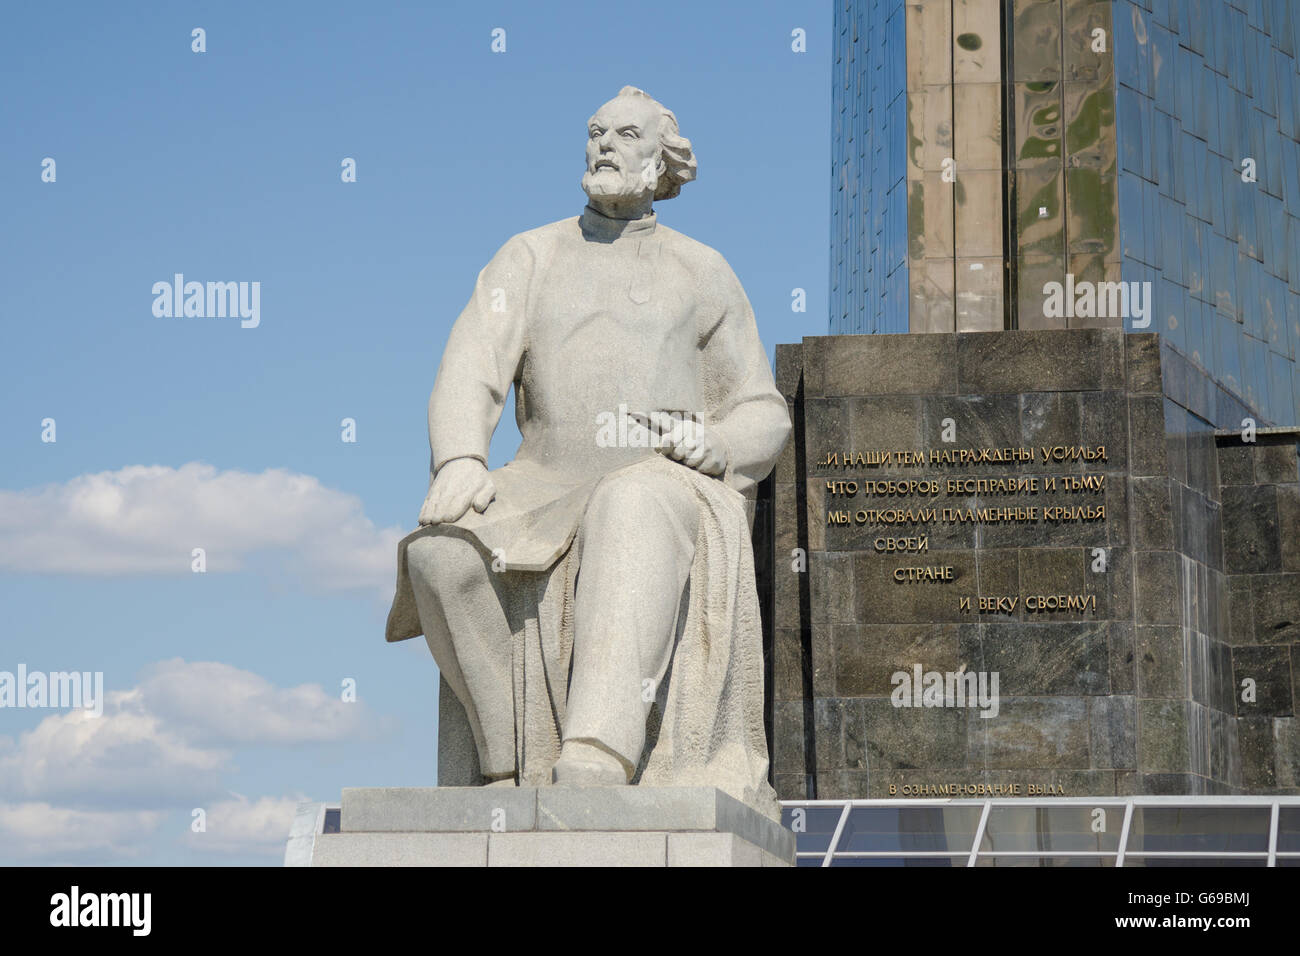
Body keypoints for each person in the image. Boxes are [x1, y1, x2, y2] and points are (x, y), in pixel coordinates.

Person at [385, 86, 790, 811]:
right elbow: (470, 366)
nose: (604, 144)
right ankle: (507, 774)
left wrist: (717, 442)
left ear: (662, 158)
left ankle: (597, 753)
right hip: (539, 481)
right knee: (435, 552)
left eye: (627, 134)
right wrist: (460, 460)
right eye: (596, 131)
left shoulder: (703, 269)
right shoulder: (530, 256)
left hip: (666, 481)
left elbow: (764, 412)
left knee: (629, 501)